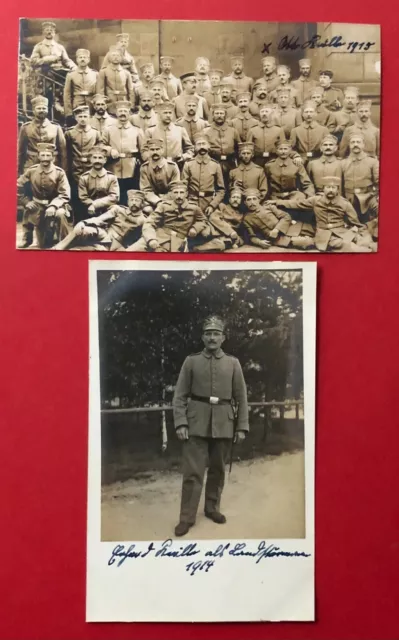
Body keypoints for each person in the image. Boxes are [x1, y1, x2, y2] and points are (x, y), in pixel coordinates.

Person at [173, 315, 249, 537]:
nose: (212, 338)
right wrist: (180, 422)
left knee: (217, 470)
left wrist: (242, 426)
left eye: (216, 334)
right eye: (208, 333)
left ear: (223, 338)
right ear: (202, 337)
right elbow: (179, 396)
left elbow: (241, 397)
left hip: (224, 424)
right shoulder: (191, 361)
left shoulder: (233, 363)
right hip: (196, 423)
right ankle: (186, 517)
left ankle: (212, 508)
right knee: (193, 473)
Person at [296, 176, 372, 252]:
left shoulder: (344, 203)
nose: (331, 190)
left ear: (337, 189)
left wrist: (360, 233)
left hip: (341, 231)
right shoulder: (316, 200)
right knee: (346, 246)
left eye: (333, 187)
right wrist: (283, 203)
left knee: (364, 241)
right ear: (323, 188)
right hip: (324, 234)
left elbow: (355, 222)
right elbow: (297, 204)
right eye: (328, 187)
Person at [17, 142, 71, 248]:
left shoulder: (59, 173)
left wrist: (53, 205)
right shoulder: (32, 171)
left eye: (48, 155)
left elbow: (64, 193)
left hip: (56, 206)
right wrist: (25, 201)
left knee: (60, 213)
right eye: (42, 155)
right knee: (44, 245)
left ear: (53, 156)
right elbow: (17, 185)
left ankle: (65, 241)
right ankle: (27, 239)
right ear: (38, 156)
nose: (45, 158)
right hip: (37, 206)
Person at [55, 189, 146, 251]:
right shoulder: (118, 209)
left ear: (142, 204)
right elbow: (100, 219)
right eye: (132, 200)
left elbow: (142, 239)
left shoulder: (143, 220)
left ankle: (67, 252)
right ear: (128, 202)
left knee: (81, 250)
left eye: (137, 200)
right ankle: (57, 249)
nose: (133, 203)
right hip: (103, 234)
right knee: (81, 229)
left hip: (113, 245)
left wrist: (127, 250)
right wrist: (84, 222)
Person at [127, 181, 207, 252]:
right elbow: (149, 223)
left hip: (177, 242)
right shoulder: (164, 206)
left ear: (186, 194)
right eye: (175, 192)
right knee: (129, 253)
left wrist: (195, 228)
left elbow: (203, 220)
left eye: (181, 192)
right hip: (157, 236)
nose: (179, 196)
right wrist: (151, 239)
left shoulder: (194, 208)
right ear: (171, 194)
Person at [102, 100, 145, 205]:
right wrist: (110, 150)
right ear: (116, 113)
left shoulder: (137, 131)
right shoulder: (108, 130)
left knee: (129, 194)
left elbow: (143, 149)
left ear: (129, 113)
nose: (123, 113)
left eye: (125, 111)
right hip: (112, 166)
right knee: (114, 194)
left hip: (131, 168)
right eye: (120, 111)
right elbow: (100, 145)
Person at [341, 133, 379, 236]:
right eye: (353, 142)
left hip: (367, 197)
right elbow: (340, 184)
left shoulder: (372, 162)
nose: (355, 144)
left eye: (358, 142)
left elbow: (379, 181)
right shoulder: (343, 163)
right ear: (349, 145)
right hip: (348, 198)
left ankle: (369, 228)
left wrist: (377, 196)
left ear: (363, 145)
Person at [65, 105, 102, 212]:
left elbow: (100, 149)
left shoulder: (95, 133)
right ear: (75, 118)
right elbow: (66, 153)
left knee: (92, 191)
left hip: (91, 167)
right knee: (76, 194)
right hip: (75, 168)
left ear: (89, 117)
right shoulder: (69, 133)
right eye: (80, 116)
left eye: (85, 116)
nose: (83, 119)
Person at [18, 95, 67, 173]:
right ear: (33, 110)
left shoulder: (56, 127)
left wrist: (64, 171)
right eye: (39, 108)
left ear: (47, 110)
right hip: (31, 166)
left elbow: (63, 153)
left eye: (44, 108)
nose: (42, 110)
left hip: (52, 166)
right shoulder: (26, 128)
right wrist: (19, 171)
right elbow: (20, 152)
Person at [182, 133, 225, 214]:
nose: (201, 147)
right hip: (191, 202)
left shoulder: (215, 165)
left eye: (204, 144)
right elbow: (183, 186)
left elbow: (221, 190)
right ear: (194, 147)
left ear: (208, 146)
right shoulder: (188, 164)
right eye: (199, 144)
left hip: (209, 203)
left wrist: (212, 205)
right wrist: (187, 203)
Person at [145, 101, 194, 170]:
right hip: (156, 168)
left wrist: (183, 157)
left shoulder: (180, 130)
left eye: (170, 113)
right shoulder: (150, 131)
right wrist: (152, 159)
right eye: (165, 113)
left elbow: (190, 148)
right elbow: (144, 151)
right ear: (159, 114)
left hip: (177, 166)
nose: (168, 115)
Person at [77, 145, 120, 219]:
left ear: (105, 160)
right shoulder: (84, 178)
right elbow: (83, 197)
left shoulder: (111, 177)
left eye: (100, 158)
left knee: (116, 209)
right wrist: (91, 205)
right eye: (94, 158)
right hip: (89, 210)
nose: (97, 161)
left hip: (107, 210)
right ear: (90, 160)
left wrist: (95, 204)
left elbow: (114, 197)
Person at [203, 104, 240, 185]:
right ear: (213, 115)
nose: (219, 116)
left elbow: (238, 150)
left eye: (221, 113)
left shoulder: (233, 131)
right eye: (217, 113)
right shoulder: (206, 132)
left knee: (230, 185)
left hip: (230, 163)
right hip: (213, 163)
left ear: (225, 115)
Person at [139, 138, 180, 207]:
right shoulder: (144, 168)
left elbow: (175, 188)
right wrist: (157, 201)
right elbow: (146, 190)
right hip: (152, 202)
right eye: (152, 150)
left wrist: (164, 199)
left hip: (170, 200)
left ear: (162, 150)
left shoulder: (172, 166)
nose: (155, 152)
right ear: (148, 151)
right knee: (147, 209)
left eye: (157, 149)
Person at [96, 47, 134, 115]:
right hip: (110, 102)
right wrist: (102, 105)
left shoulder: (126, 73)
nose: (116, 57)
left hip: (123, 102)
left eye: (118, 55)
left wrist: (131, 105)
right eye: (113, 55)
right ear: (109, 57)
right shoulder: (103, 72)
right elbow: (100, 90)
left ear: (121, 57)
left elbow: (131, 90)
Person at [63, 49, 98, 122]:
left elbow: (98, 92)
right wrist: (68, 112)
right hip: (77, 103)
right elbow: (67, 94)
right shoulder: (71, 75)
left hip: (92, 105)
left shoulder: (95, 74)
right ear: (76, 59)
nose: (82, 59)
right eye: (80, 57)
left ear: (88, 59)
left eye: (85, 57)